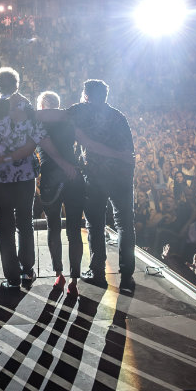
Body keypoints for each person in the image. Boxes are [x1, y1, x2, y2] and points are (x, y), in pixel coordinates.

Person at [0, 67, 54, 290]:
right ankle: (27, 271)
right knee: (25, 222)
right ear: (17, 86)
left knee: (5, 226)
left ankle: (11, 278)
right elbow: (38, 139)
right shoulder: (28, 110)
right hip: (25, 176)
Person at [57, 79, 136, 290]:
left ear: (86, 96)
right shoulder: (119, 116)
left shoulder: (81, 111)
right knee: (124, 224)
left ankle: (97, 272)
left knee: (95, 224)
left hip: (96, 177)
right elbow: (129, 152)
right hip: (122, 177)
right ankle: (127, 277)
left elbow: (57, 116)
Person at [35, 91, 85, 295]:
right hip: (73, 175)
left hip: (50, 178)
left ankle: (59, 275)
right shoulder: (68, 119)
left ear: (42, 105)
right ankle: (74, 280)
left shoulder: (37, 119)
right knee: (74, 228)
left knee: (53, 226)